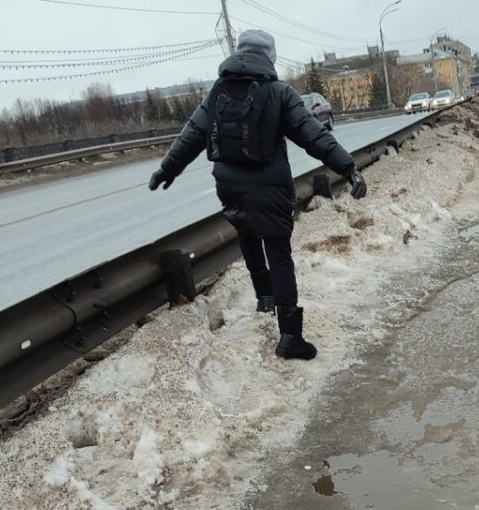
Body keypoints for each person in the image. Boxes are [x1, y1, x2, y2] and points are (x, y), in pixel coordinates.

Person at [148, 29, 365, 360]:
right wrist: (347, 168)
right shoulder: (279, 93)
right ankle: (290, 335)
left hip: (229, 186)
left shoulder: (217, 92)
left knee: (248, 235)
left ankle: (264, 298)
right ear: (269, 57)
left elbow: (191, 135)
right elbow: (313, 135)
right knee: (278, 253)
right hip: (271, 186)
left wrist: (167, 170)